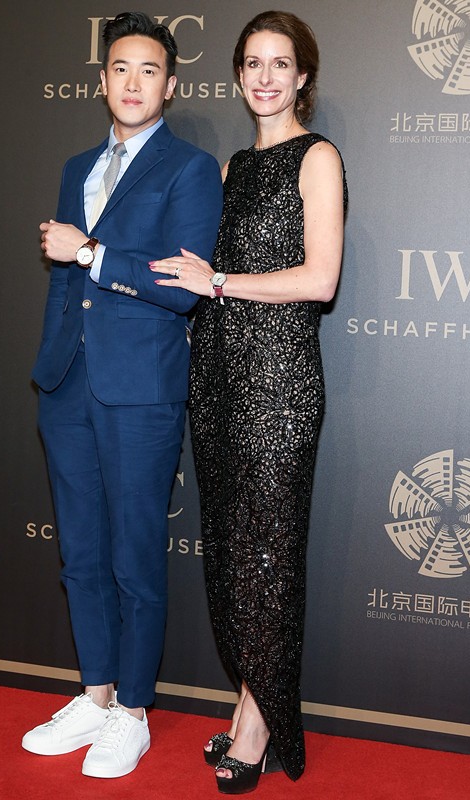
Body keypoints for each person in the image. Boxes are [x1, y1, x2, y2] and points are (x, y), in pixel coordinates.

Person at [150, 9, 347, 794]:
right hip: (220, 383)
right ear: (237, 75)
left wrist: (220, 281)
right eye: (252, 63)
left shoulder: (317, 157)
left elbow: (319, 279)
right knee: (236, 558)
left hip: (280, 386)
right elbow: (201, 277)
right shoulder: (231, 167)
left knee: (269, 556)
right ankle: (246, 710)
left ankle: (260, 728)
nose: (265, 77)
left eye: (279, 63)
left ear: (302, 77)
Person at [23, 11, 222, 780]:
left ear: (169, 86)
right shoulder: (77, 165)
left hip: (139, 390)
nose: (132, 82)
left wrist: (93, 252)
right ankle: (96, 693)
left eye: (148, 70)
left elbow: (182, 289)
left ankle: (132, 712)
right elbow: (62, 280)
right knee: (80, 554)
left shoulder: (189, 168)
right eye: (119, 68)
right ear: (102, 79)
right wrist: (52, 356)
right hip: (67, 383)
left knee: (135, 555)